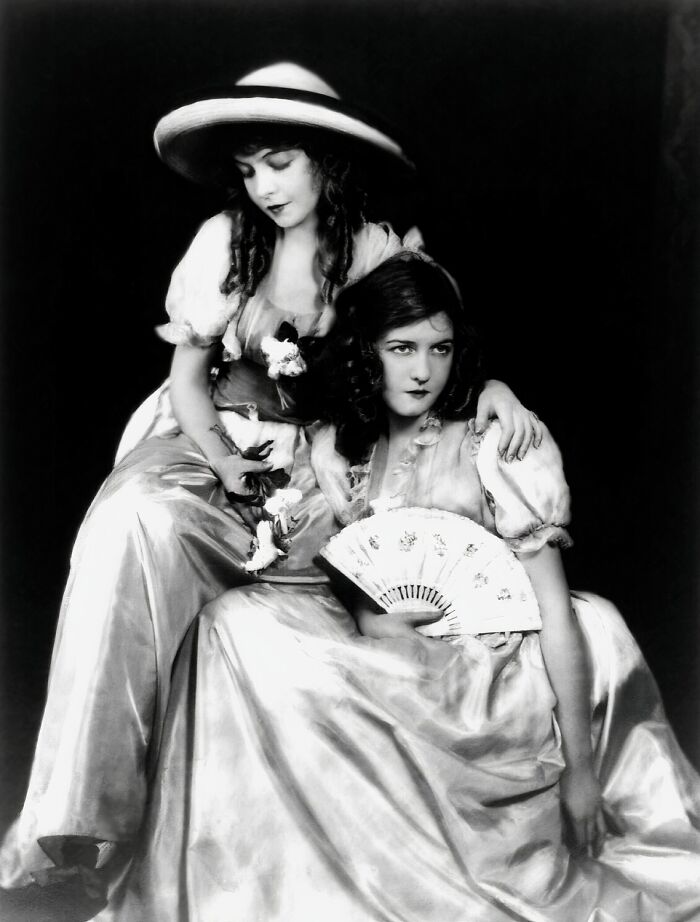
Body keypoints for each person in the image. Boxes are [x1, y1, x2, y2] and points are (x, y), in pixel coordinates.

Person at [0, 63, 539, 904]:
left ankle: (253, 838)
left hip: (324, 461)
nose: (265, 187)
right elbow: (187, 384)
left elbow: (431, 339)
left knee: (314, 598)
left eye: (281, 163)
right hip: (213, 436)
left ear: (327, 160)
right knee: (133, 523)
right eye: (249, 169)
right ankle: (77, 827)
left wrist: (491, 386)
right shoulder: (225, 241)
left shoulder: (374, 248)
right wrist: (225, 463)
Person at [104, 252, 700, 921]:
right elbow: (354, 565)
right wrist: (371, 616)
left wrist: (582, 774)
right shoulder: (344, 446)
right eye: (401, 348)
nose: (422, 371)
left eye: (439, 349)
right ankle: (262, 875)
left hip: (487, 676)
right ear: (368, 352)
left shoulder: (496, 444)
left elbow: (554, 612)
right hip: (396, 653)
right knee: (231, 624)